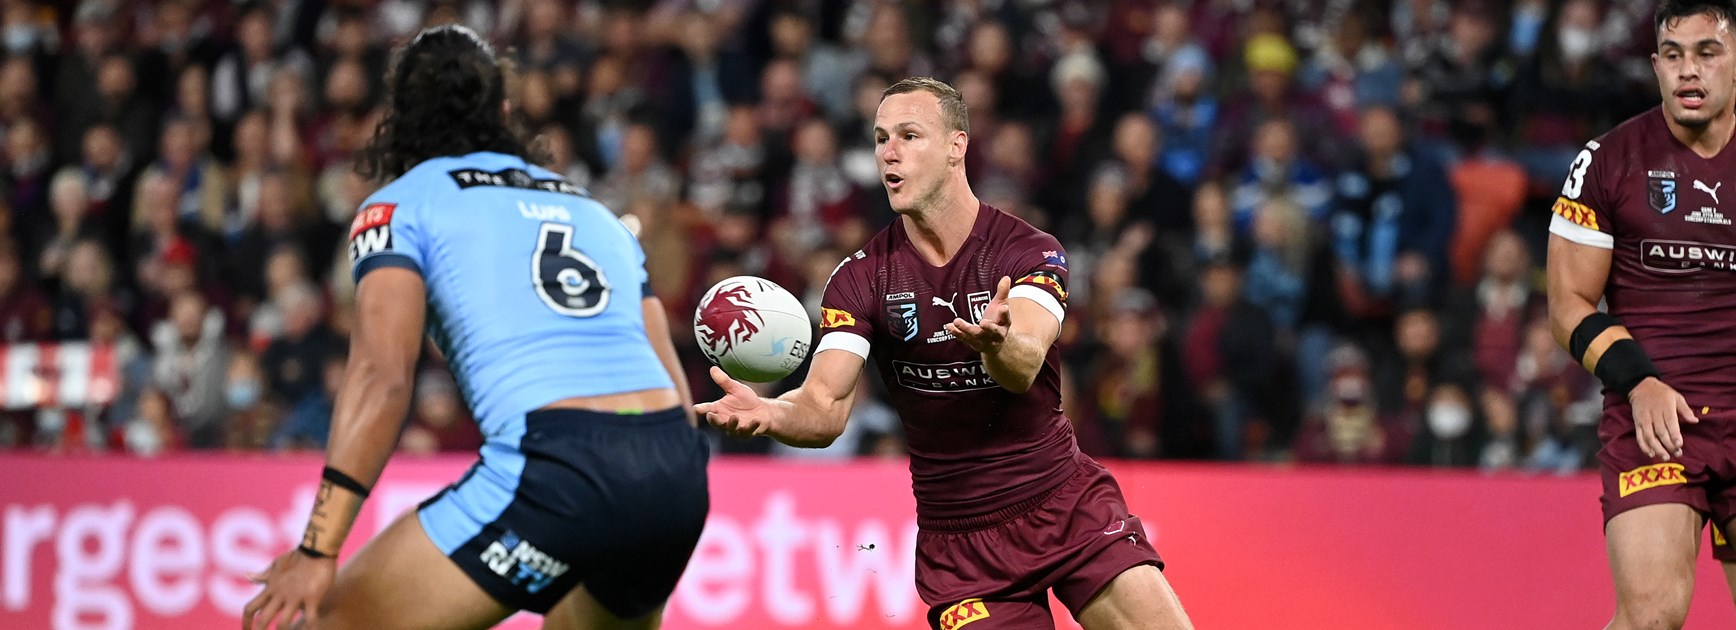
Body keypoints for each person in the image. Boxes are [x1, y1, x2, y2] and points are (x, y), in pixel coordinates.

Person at [242, 25, 707, 630]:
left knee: (331, 622)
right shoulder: (599, 215)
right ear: (505, 112)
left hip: (559, 465)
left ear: (397, 119)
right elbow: (680, 396)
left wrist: (316, 550)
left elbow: (382, 377)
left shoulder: (399, 206)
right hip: (672, 473)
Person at [697, 76, 1191, 629]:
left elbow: (1024, 363)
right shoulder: (860, 279)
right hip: (961, 547)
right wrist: (773, 413)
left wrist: (998, 346)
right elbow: (826, 406)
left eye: (909, 135)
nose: (890, 152)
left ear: (958, 146)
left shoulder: (1028, 250)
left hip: (1063, 502)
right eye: (881, 138)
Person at [1545, 2, 1736, 628]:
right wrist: (1640, 382)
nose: (1689, 71)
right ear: (1655, 66)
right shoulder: (1608, 159)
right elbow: (1567, 304)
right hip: (1656, 422)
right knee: (1651, 616)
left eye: (1707, 52)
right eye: (1674, 55)